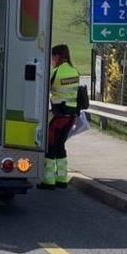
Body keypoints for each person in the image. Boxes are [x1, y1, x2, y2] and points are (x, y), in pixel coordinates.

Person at [40, 44, 81, 189]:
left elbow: (43, 87)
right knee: (61, 146)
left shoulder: (55, 72)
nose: (51, 60)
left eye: (52, 57)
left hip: (57, 116)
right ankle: (62, 179)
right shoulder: (75, 71)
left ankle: (48, 181)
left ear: (57, 56)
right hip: (71, 116)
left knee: (50, 146)